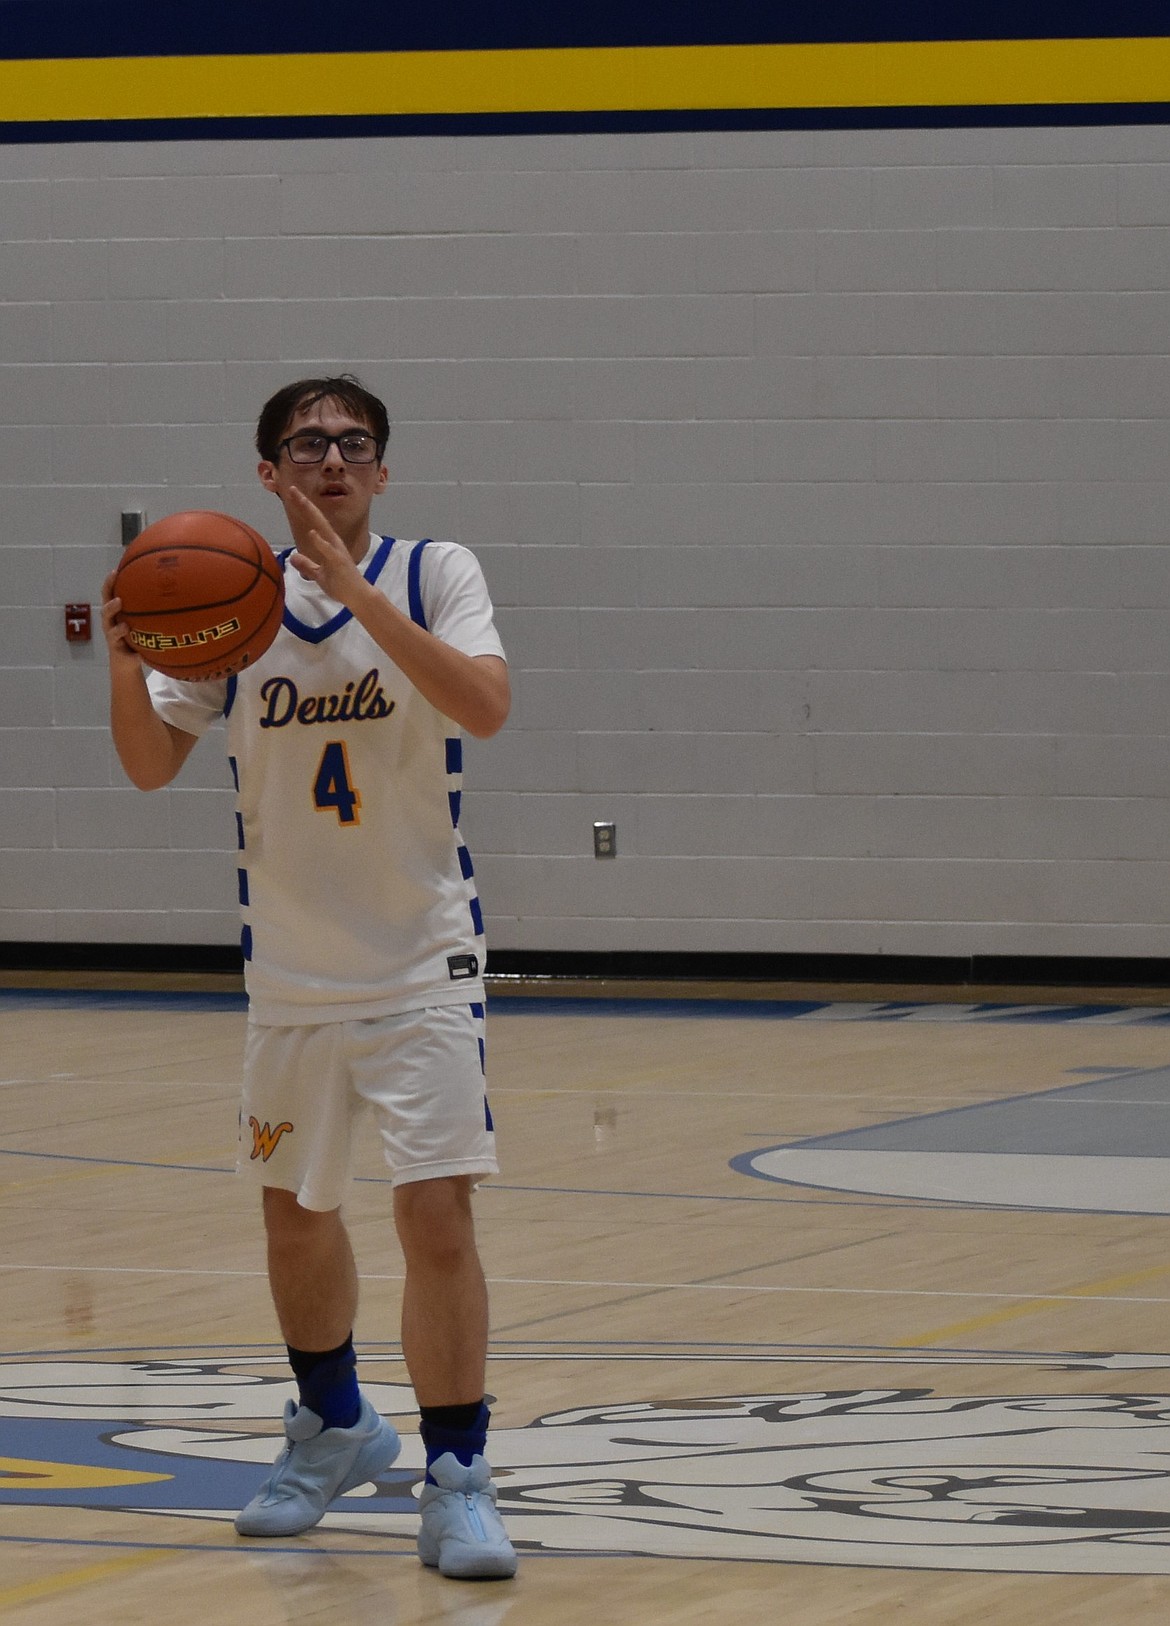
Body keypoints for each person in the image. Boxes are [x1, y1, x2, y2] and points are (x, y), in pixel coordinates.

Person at [102, 375, 516, 1581]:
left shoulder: (436, 572)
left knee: (434, 1213)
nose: (331, 461)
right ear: (268, 475)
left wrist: (355, 597)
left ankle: (456, 1475)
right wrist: (124, 658)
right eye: (305, 446)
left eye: (353, 444)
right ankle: (335, 1424)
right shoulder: (229, 604)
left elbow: (484, 707)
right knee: (294, 1221)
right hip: (288, 971)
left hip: (421, 958)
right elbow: (145, 768)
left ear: (382, 471)